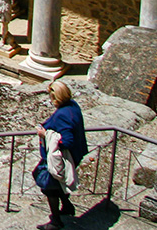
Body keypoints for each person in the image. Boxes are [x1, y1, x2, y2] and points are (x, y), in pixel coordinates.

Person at [37, 81, 87, 230]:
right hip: (75, 153)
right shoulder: (72, 106)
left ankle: (56, 222)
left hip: (62, 158)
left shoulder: (63, 115)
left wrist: (45, 135)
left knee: (49, 187)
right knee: (57, 185)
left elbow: (67, 140)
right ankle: (67, 207)